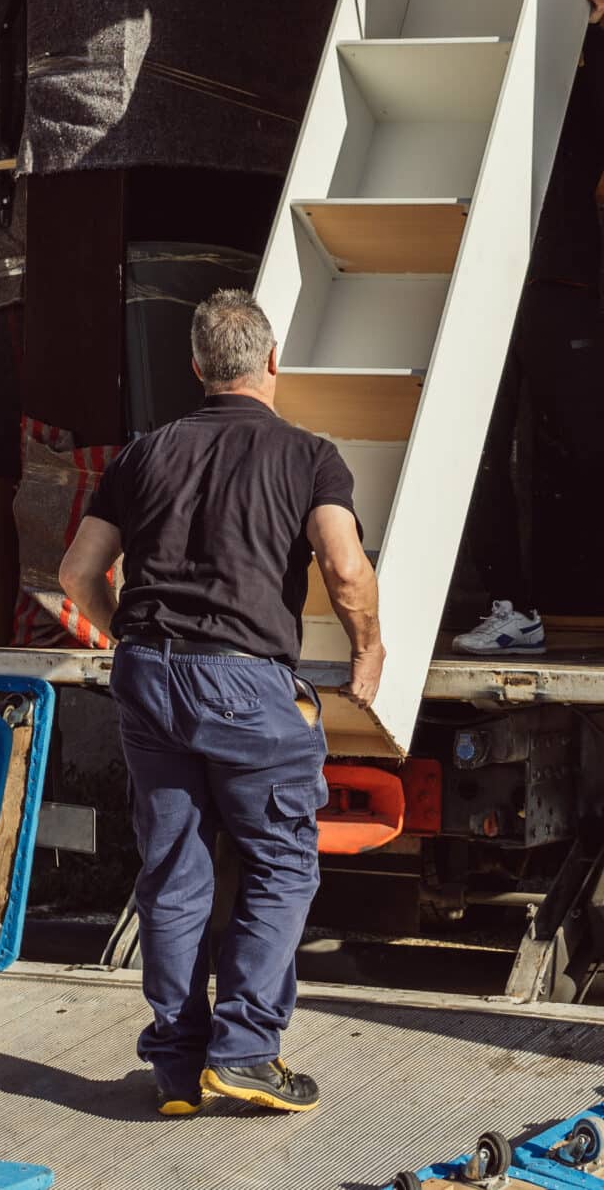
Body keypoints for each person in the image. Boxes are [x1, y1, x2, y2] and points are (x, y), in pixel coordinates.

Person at [58, 289, 382, 1120]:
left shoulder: (142, 454)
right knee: (281, 862)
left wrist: (126, 636)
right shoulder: (309, 455)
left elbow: (76, 574)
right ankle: (244, 1054)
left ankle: (177, 1066)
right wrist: (368, 649)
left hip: (147, 675)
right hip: (243, 683)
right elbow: (345, 566)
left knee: (173, 867)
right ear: (272, 361)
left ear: (197, 366)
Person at [452, 0, 604, 659]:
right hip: (482, 294)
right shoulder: (475, 102)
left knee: (588, 444)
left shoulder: (568, 97)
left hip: (556, 290)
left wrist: (594, 31)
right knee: (481, 454)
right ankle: (513, 609)